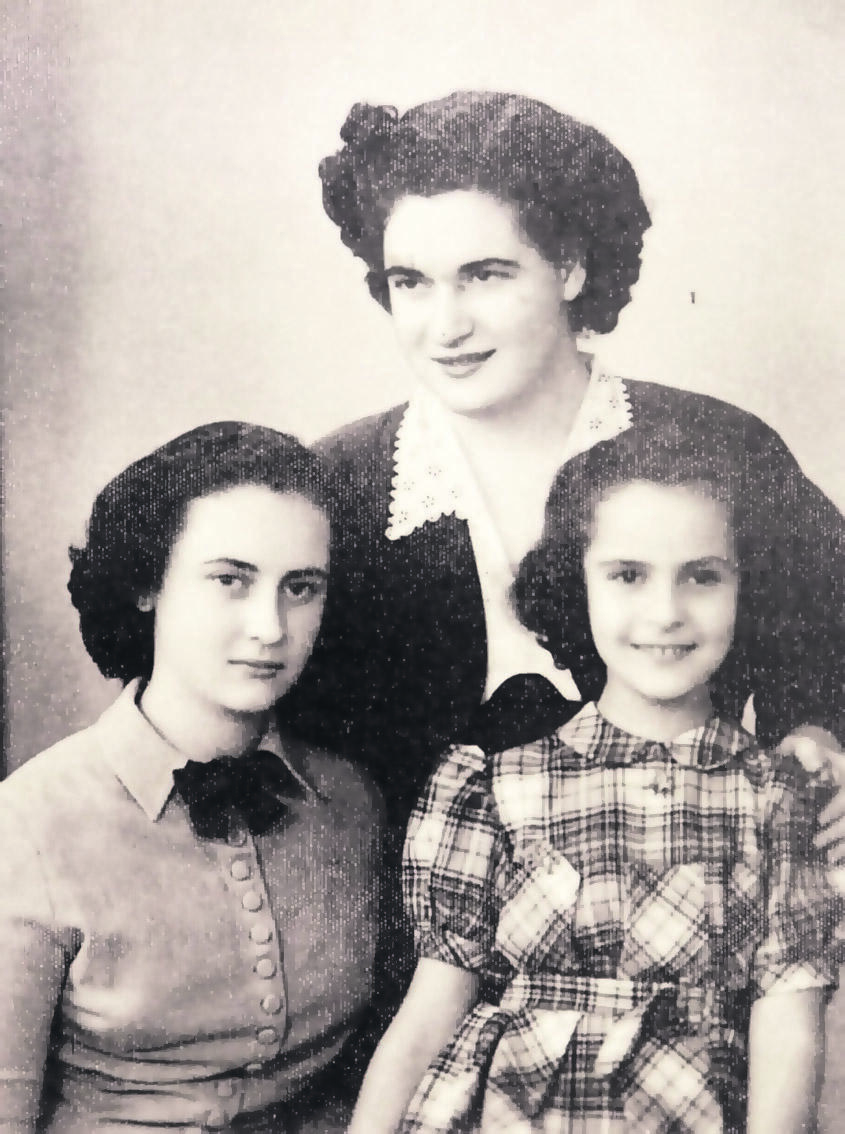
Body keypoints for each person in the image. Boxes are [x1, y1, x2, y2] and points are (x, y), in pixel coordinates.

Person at [284, 88, 844, 1015]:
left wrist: (821, 734)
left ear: (572, 266)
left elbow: (831, 636)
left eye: (485, 275)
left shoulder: (718, 450)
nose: (444, 325)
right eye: (410, 282)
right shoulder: (336, 483)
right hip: (396, 992)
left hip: (682, 985)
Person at [349, 422, 843, 1133]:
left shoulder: (777, 796)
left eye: (703, 576)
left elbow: (790, 1030)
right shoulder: (492, 788)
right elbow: (425, 1020)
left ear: (749, 589)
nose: (665, 613)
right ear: (573, 584)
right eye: (627, 575)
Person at [0, 423, 382, 1133]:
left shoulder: (351, 799)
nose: (270, 627)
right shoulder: (27, 825)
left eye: (300, 587)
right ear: (148, 583)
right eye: (229, 580)